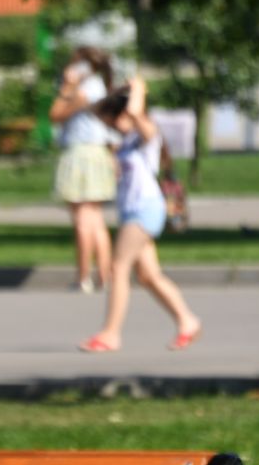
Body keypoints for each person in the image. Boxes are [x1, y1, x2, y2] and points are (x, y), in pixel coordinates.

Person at [79, 76, 204, 353]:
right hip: (131, 211)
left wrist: (138, 88)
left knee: (118, 267)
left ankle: (111, 334)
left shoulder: (147, 134)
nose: (111, 125)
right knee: (148, 276)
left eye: (113, 119)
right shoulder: (125, 142)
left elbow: (135, 112)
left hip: (145, 209)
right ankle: (187, 320)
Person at [51, 46, 118, 293]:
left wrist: (67, 87)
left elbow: (55, 114)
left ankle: (83, 277)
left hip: (81, 154)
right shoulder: (99, 86)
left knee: (82, 220)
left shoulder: (85, 90)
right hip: (97, 153)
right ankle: (104, 274)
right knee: (95, 220)